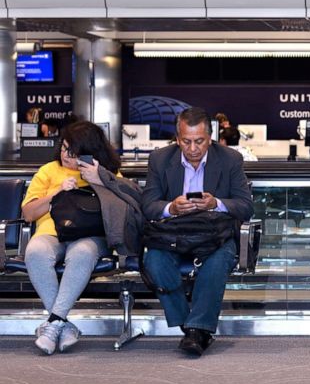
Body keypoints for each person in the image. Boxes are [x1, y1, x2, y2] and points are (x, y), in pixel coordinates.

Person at [141, 107, 254, 356]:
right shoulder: (160, 159)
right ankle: (194, 328)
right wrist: (171, 207)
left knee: (218, 260)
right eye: (186, 141)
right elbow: (148, 205)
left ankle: (196, 328)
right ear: (177, 138)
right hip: (172, 235)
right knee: (154, 260)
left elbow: (245, 206)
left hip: (215, 235)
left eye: (199, 141)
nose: (192, 148)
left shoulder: (229, 159)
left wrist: (216, 204)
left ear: (210, 138)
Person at [23, 121, 143, 355]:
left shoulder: (105, 172)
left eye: (71, 149)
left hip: (92, 235)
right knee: (35, 251)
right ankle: (61, 324)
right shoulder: (49, 170)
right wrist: (56, 193)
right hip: (52, 232)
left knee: (82, 253)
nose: (65, 154)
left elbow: (130, 204)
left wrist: (100, 179)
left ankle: (54, 323)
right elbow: (28, 214)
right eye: (63, 147)